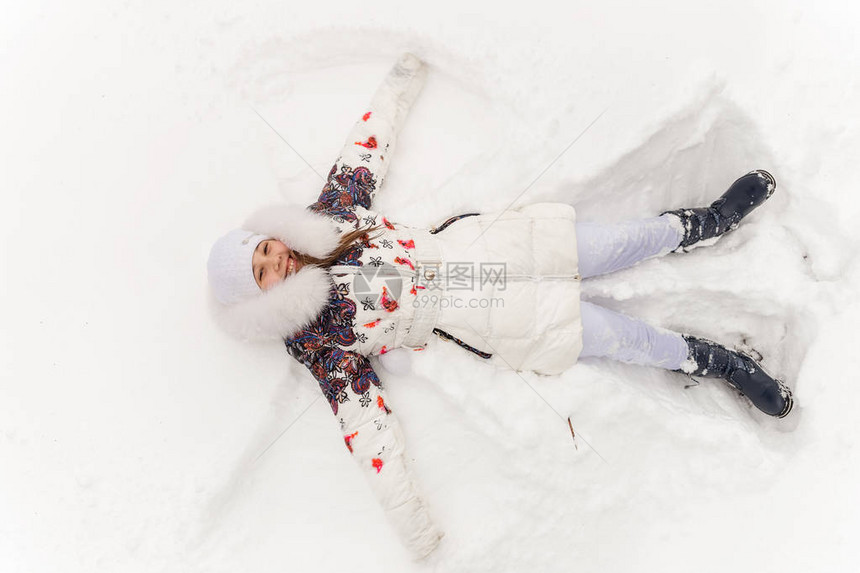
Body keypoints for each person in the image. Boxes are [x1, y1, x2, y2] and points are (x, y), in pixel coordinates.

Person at [206, 53, 793, 559]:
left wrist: (402, 77)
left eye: (264, 251)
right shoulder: (315, 339)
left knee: (620, 243)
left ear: (271, 236)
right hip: (480, 317)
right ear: (260, 298)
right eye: (261, 275)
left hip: (489, 248)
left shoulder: (328, 216)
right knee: (621, 339)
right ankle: (716, 362)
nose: (275, 264)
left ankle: (706, 223)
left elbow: (368, 146)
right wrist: (412, 525)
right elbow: (364, 425)